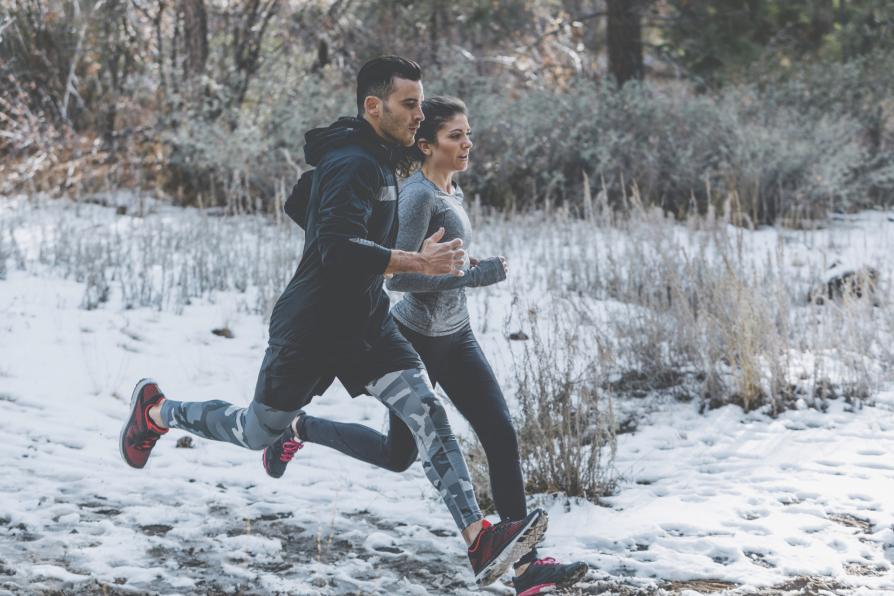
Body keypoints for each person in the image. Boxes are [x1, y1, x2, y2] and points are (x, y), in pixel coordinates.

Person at [118, 57, 547, 587]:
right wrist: (416, 261)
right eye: (409, 104)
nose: (420, 114)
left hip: (366, 324)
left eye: (420, 103)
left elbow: (301, 202)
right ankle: (157, 411)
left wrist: (368, 234)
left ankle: (479, 540)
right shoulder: (353, 162)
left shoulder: (376, 157)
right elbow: (337, 249)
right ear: (374, 106)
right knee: (256, 430)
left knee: (426, 411)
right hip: (311, 329)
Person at [264, 96, 589, 596]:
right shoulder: (416, 195)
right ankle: (299, 427)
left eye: (468, 134)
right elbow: (400, 278)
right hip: (414, 337)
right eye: (455, 136)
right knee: (398, 455)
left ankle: (526, 569)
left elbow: (443, 259)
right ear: (425, 145)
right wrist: (475, 275)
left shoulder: (452, 188)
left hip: (457, 336)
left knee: (500, 433)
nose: (467, 144)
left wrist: (468, 264)